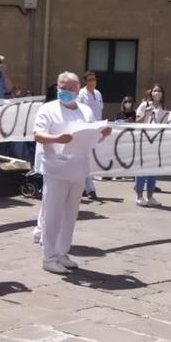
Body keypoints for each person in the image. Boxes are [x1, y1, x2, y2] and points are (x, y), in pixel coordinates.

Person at [33, 71, 111, 275]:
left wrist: (103, 134)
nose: (66, 91)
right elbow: (38, 135)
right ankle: (49, 256)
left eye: (71, 88)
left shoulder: (85, 110)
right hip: (56, 168)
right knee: (53, 213)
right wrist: (57, 138)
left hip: (78, 169)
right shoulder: (48, 109)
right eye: (63, 87)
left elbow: (91, 138)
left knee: (70, 214)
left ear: (78, 90)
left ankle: (62, 252)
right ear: (57, 88)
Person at [134, 84, 171, 206]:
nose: (157, 93)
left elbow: (167, 122)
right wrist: (146, 114)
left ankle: (150, 196)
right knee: (142, 169)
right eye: (155, 91)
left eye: (159, 91)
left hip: (157, 142)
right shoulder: (145, 105)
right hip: (144, 140)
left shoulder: (163, 107)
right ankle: (139, 196)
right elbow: (136, 121)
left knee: (153, 170)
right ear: (151, 93)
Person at [77, 71, 103, 200]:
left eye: (94, 79)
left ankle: (82, 187)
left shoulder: (98, 94)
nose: (93, 82)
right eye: (90, 80)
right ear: (85, 81)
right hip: (86, 129)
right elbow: (78, 111)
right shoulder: (81, 94)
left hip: (96, 129)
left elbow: (99, 111)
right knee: (86, 159)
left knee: (90, 160)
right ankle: (90, 188)